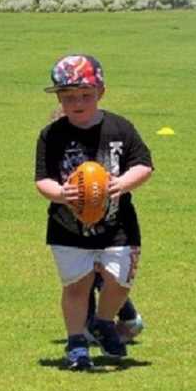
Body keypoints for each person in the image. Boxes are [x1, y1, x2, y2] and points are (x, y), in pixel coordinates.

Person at [34, 54, 153, 371]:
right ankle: (76, 344)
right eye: (69, 97)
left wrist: (122, 183)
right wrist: (60, 193)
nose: (77, 103)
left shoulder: (120, 127)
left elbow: (144, 165)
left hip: (118, 225)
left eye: (85, 95)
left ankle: (102, 321)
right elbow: (42, 180)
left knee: (120, 281)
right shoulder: (52, 135)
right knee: (76, 287)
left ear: (101, 91)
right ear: (59, 98)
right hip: (67, 228)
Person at [49, 106, 146, 344]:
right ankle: (99, 324)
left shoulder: (99, 161)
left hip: (109, 231)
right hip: (75, 232)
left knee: (103, 275)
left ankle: (115, 321)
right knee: (87, 278)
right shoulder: (65, 157)